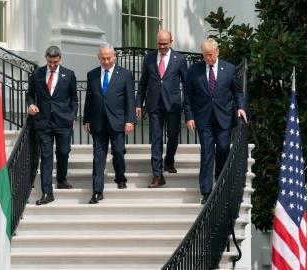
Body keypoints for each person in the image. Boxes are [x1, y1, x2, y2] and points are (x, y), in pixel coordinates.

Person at [184, 38, 247, 204]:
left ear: (217, 52)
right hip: (203, 119)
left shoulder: (229, 69)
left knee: (223, 150)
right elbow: (188, 96)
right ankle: (206, 192)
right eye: (205, 55)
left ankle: (220, 186)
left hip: (224, 118)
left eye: (210, 55)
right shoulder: (194, 70)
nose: (208, 58)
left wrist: (240, 108)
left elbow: (237, 92)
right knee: (206, 154)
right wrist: (189, 116)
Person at [83, 43, 136, 204]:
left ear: (114, 57)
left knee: (118, 151)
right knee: (98, 157)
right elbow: (89, 99)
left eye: (108, 58)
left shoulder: (125, 74)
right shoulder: (92, 74)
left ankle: (120, 177)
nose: (106, 62)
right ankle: (97, 191)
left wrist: (130, 120)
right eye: (103, 58)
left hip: (118, 121)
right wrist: (86, 119)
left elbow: (130, 99)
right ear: (99, 58)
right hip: (98, 122)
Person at [136, 30, 188, 188]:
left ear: (171, 41)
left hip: (172, 105)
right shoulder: (149, 58)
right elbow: (143, 82)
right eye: (159, 44)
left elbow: (187, 84)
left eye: (165, 44)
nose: (162, 46)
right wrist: (139, 103)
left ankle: (169, 160)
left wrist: (187, 105)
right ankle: (157, 175)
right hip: (154, 104)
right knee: (156, 139)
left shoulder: (180, 59)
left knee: (173, 136)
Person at [26, 45, 78, 205]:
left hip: (63, 122)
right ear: (46, 59)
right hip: (43, 122)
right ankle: (47, 192)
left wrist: (72, 116)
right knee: (46, 157)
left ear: (60, 59)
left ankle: (62, 179)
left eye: (55, 62)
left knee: (63, 152)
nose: (53, 65)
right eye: (50, 62)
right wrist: (31, 105)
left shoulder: (69, 75)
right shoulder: (37, 74)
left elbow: (74, 99)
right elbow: (30, 95)